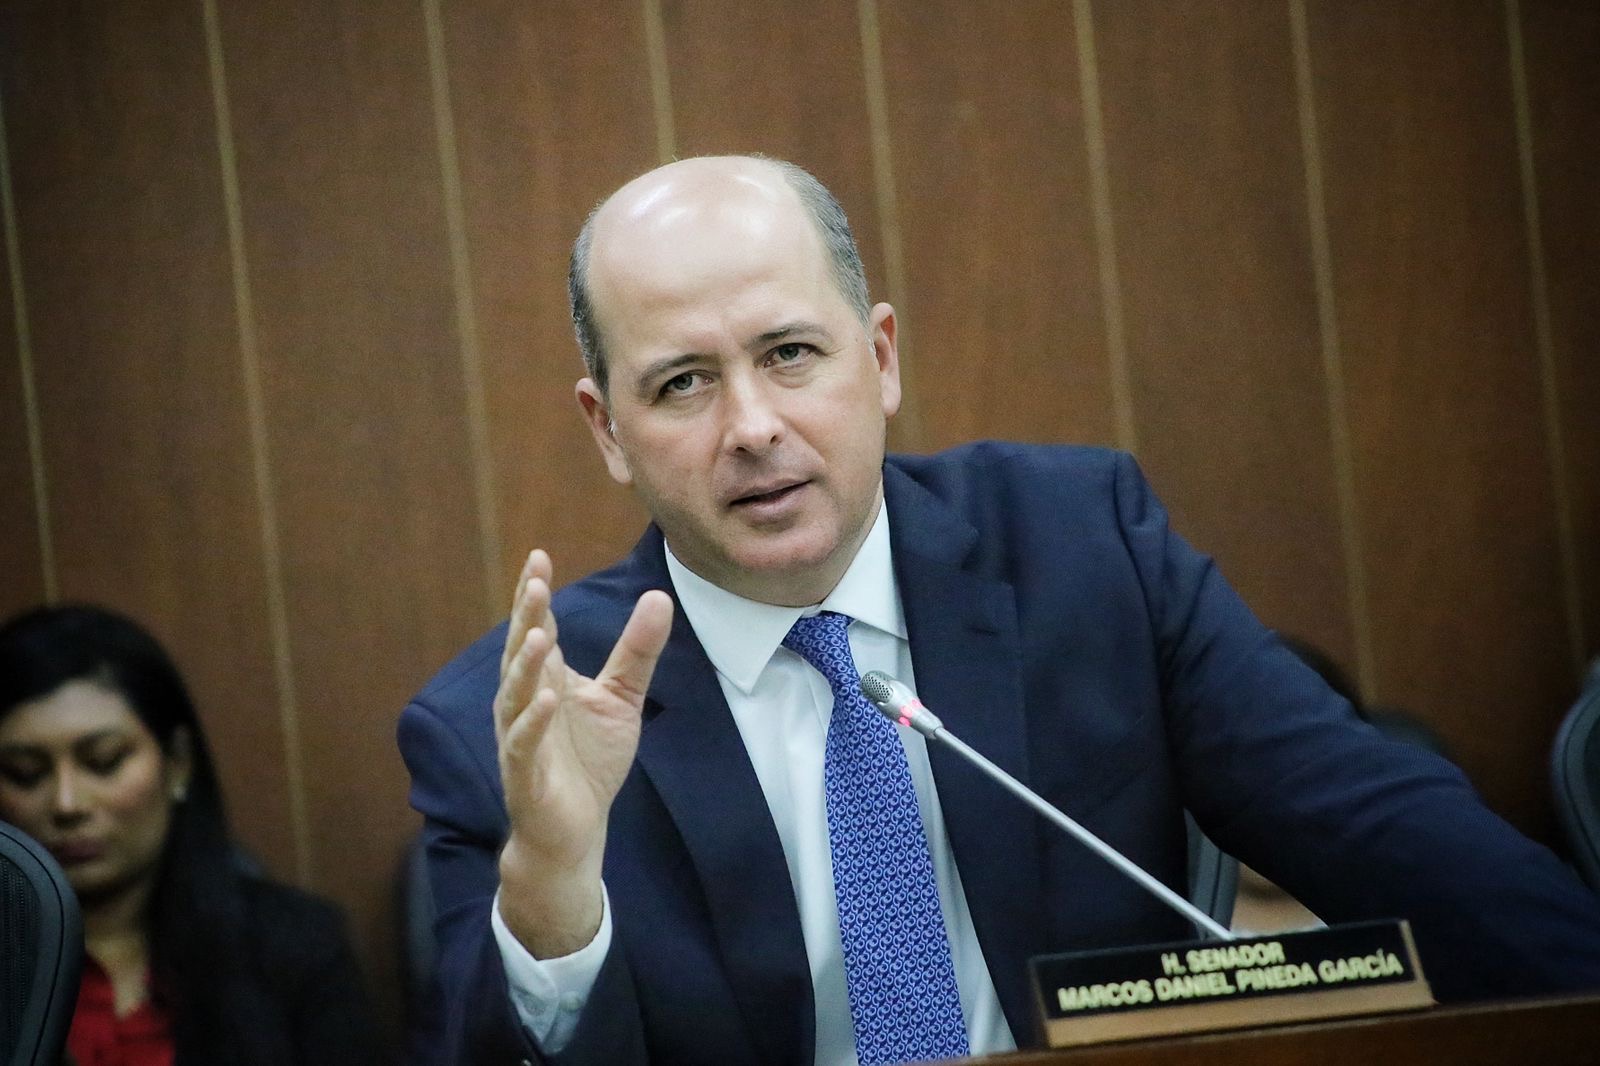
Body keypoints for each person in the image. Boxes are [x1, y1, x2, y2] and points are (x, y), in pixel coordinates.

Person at [398, 155, 1600, 1066]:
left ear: (880, 358)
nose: (753, 425)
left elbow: (1393, 835)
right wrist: (551, 893)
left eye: (791, 353)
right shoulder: (512, 730)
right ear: (609, 429)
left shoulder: (1085, 555)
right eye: (681, 383)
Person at [0, 604, 390, 1066]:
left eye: (104, 762)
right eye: (24, 773)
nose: (67, 804)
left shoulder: (295, 947)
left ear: (178, 762)